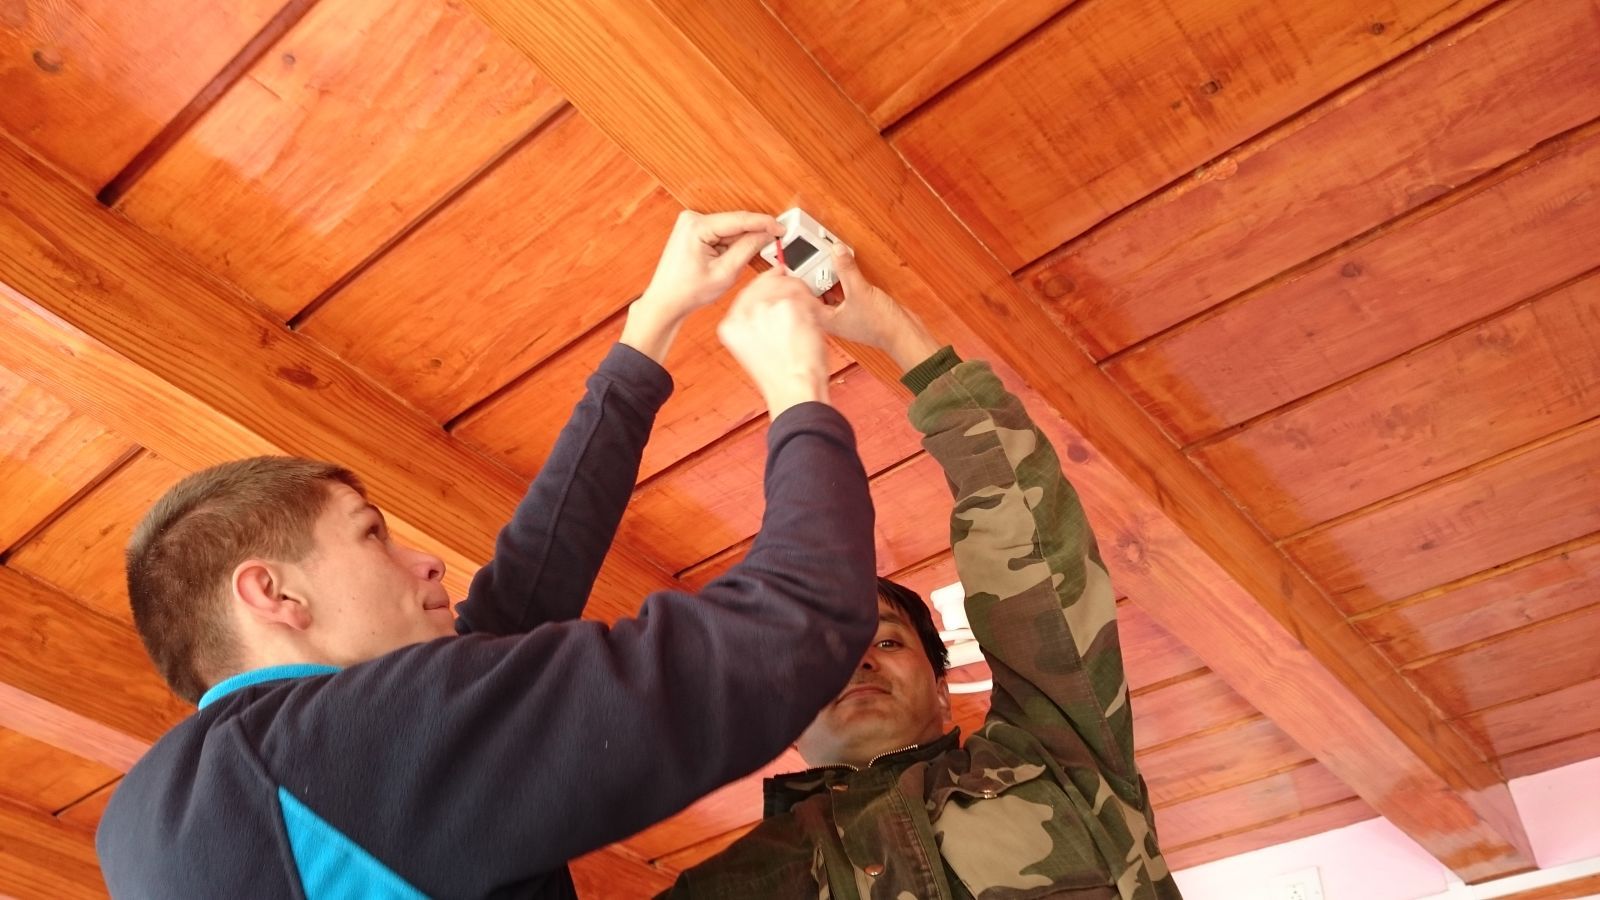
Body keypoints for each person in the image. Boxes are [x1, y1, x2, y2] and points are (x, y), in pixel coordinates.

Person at [96, 211, 882, 899]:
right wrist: (797, 387)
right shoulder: (332, 756)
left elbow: (516, 605)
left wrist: (652, 325)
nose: (429, 563)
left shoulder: (163, 812)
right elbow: (790, 629)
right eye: (372, 533)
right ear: (272, 595)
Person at [662, 245, 1180, 899]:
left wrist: (894, 332)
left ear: (941, 689)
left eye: (886, 641)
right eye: (824, 656)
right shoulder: (720, 890)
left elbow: (1036, 557)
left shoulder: (1058, 756)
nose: (858, 663)